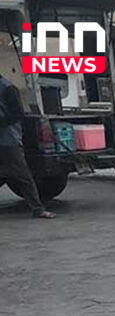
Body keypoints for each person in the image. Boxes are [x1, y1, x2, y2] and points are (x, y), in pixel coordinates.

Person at [0, 74, 55, 218]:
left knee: (22, 174)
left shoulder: (8, 88)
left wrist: (2, 122)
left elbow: (17, 114)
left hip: (8, 139)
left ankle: (38, 209)